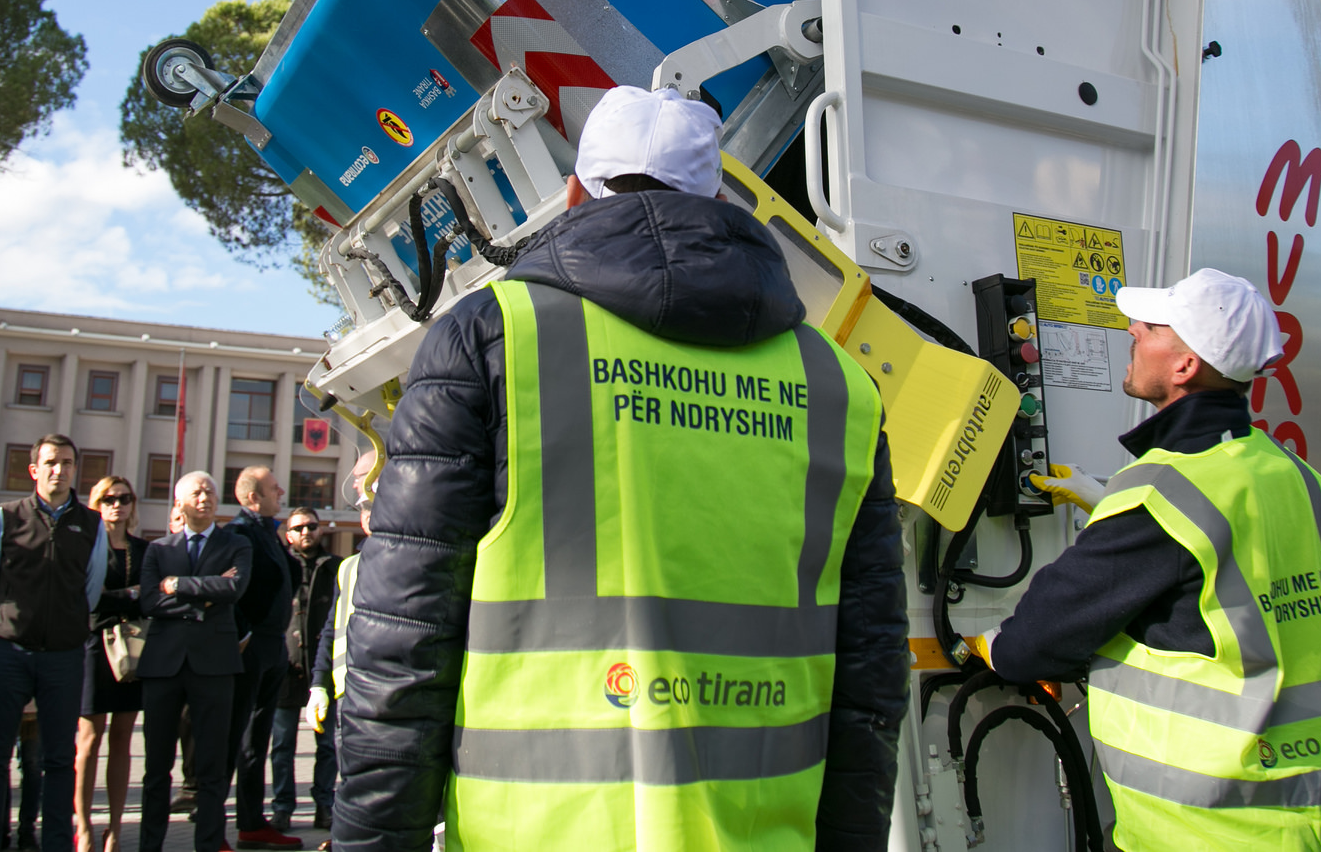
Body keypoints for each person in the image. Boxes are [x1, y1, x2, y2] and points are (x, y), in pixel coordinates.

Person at [331, 85, 910, 851]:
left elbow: (403, 635)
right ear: (719, 202)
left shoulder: (493, 339)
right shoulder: (839, 386)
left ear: (574, 194)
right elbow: (871, 675)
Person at [983, 268, 1321, 850]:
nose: (1133, 330)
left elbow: (1029, 647)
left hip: (1213, 828)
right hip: (1304, 808)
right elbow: (1222, 579)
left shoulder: (1160, 493)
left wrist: (992, 644)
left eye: (1153, 327)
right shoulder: (1293, 474)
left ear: (1185, 366)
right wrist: (1108, 501)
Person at [0, 434, 108, 852]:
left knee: (59, 759)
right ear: (34, 470)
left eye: (66, 462)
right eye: (50, 462)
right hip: (8, 652)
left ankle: (57, 844)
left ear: (75, 469)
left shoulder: (91, 524)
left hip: (63, 656)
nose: (58, 470)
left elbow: (91, 590)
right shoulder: (6, 518)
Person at [138, 471, 251, 852]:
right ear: (179, 503)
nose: (204, 497)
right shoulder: (158, 550)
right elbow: (149, 601)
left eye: (210, 491)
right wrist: (204, 599)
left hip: (215, 665)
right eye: (196, 492)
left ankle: (208, 844)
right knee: (156, 767)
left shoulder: (236, 544)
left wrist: (177, 585)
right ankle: (149, 845)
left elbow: (234, 588)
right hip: (163, 665)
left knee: (212, 767)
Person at [224, 467, 297, 849]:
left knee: (256, 741)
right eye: (273, 488)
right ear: (253, 497)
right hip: (250, 649)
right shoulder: (239, 533)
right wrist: (244, 635)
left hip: (272, 647)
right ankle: (210, 830)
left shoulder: (269, 532)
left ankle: (251, 824)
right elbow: (229, 588)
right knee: (232, 739)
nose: (281, 491)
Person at [75, 476, 148, 852]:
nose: (117, 504)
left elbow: (149, 596)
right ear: (96, 504)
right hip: (93, 645)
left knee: (122, 738)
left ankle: (115, 828)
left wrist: (119, 597)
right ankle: (84, 826)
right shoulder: (86, 546)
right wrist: (129, 595)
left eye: (124, 498)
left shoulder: (142, 548)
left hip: (132, 647)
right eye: (108, 498)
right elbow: (87, 599)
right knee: (89, 739)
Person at [269, 508, 340, 833]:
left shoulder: (334, 566)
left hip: (323, 669)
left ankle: (324, 805)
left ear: (320, 530)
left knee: (327, 745)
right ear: (288, 535)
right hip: (287, 666)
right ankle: (282, 807)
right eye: (298, 528)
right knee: (282, 745)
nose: (305, 532)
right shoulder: (280, 565)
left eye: (311, 526)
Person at [301, 494, 370, 827]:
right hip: (347, 691)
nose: (369, 516)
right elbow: (331, 629)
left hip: (382, 689)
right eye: (365, 510)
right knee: (351, 780)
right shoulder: (349, 567)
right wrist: (319, 685)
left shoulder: (405, 559)